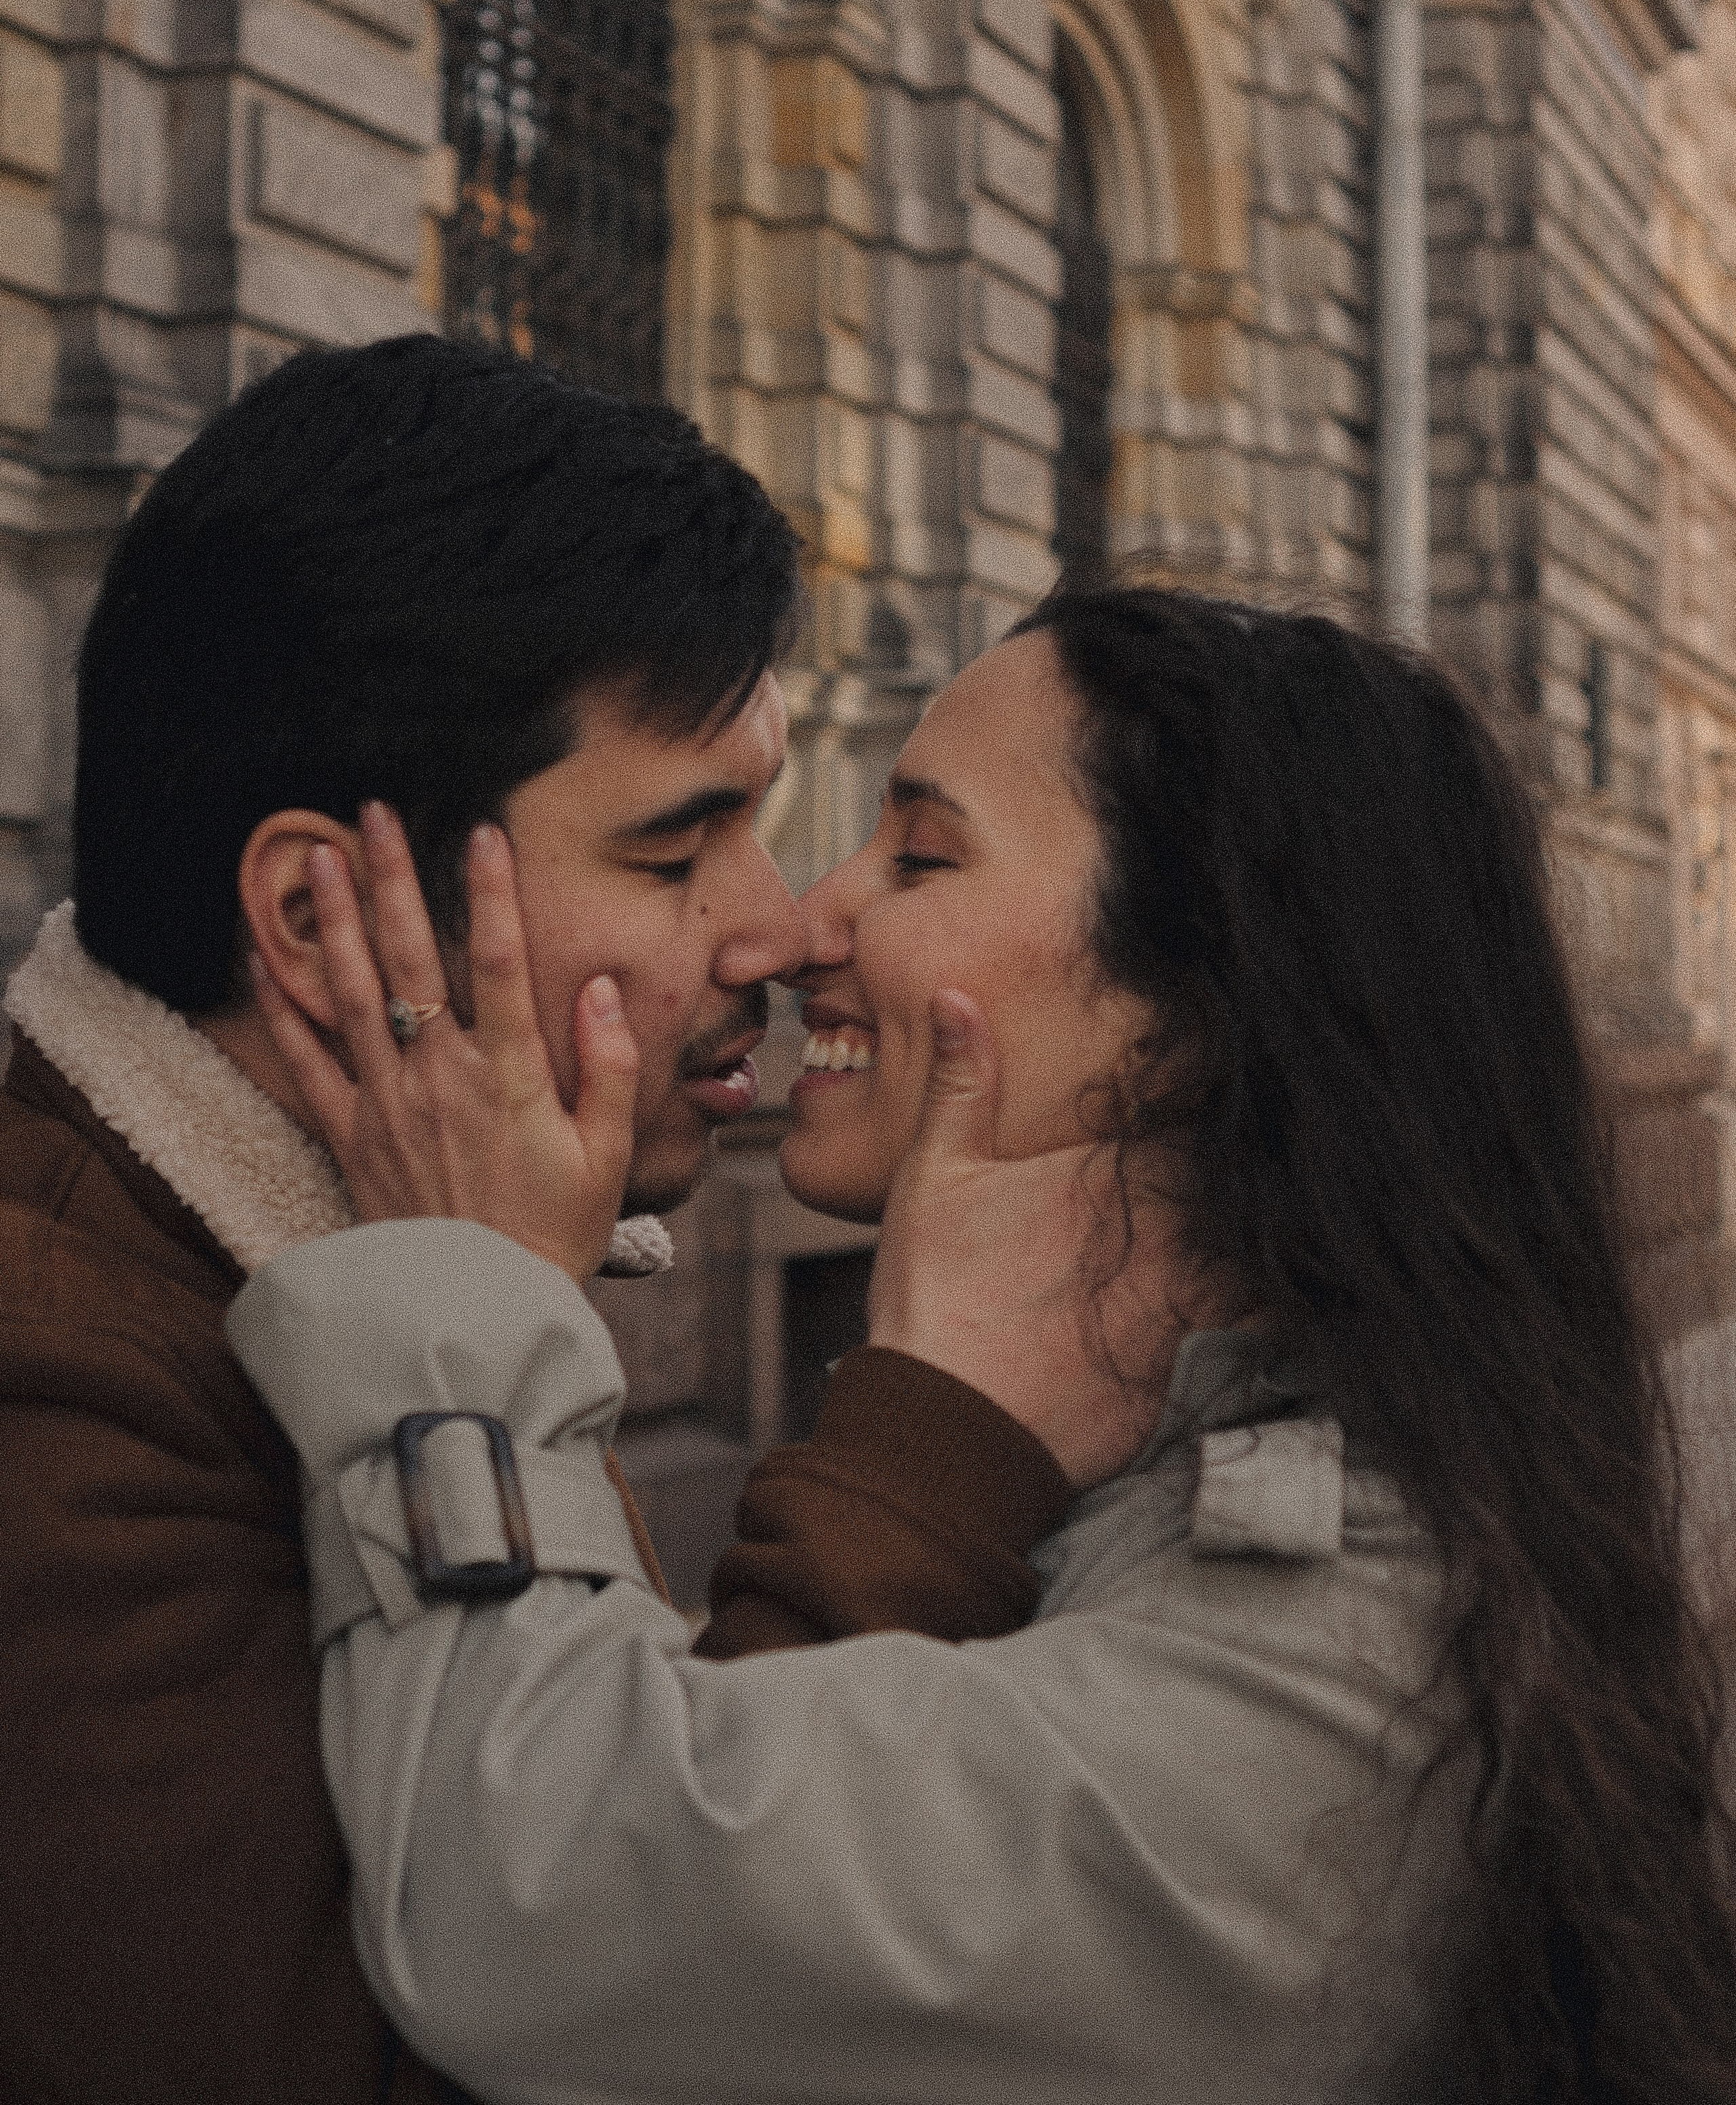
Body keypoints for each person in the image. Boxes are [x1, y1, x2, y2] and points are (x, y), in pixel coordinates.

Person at [229, 585, 1736, 2104]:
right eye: (678, 852)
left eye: (922, 854)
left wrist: (467, 1287)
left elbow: (546, 1911)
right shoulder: (1207, 1467)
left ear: (1190, 1014)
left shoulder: (1334, 1661)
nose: (803, 922)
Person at [0, 336, 1052, 2105]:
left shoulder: (366, 1265)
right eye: (677, 852)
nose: (780, 930)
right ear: (321, 920)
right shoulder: (62, 1405)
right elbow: (665, 2019)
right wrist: (926, 1453)